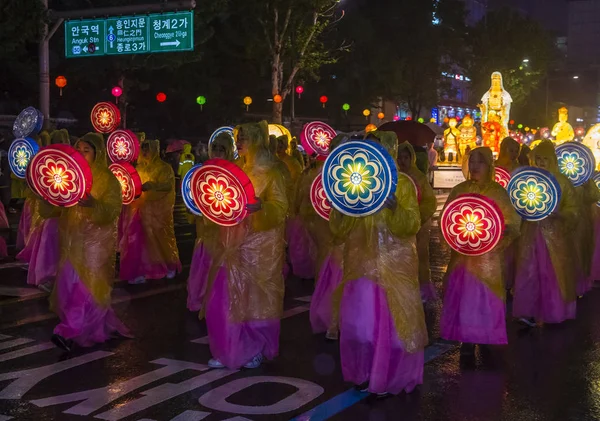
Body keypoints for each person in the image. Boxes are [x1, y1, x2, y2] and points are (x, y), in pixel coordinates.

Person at [331, 131, 427, 397]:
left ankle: (388, 377)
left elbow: (412, 225)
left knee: (393, 331)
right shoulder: (356, 183)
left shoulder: (404, 185)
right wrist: (340, 208)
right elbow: (338, 231)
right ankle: (363, 373)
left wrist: (396, 209)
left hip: (394, 269)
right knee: (359, 328)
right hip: (361, 268)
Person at [204, 121, 288, 370]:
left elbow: (282, 208)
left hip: (262, 247)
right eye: (238, 138)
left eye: (244, 138)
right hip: (233, 244)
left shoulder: (275, 171)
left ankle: (256, 347)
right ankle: (228, 347)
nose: (239, 143)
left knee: (256, 298)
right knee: (227, 297)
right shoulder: (235, 169)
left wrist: (263, 208)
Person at [51, 133, 131, 351]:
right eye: (79, 149)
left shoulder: (108, 180)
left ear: (98, 153)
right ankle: (98, 325)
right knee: (69, 286)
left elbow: (112, 211)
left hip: (96, 245)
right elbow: (57, 207)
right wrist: (46, 194)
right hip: (73, 242)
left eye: (86, 150)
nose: (82, 153)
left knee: (86, 290)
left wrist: (94, 204)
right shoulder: (70, 175)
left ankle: (68, 331)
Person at [440, 147, 520, 355]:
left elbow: (512, 225)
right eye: (472, 161)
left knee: (484, 299)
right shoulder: (459, 190)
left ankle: (485, 336)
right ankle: (466, 338)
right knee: (464, 298)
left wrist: (496, 239)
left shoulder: (498, 193)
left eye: (480, 162)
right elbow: (446, 220)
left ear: (489, 166)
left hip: (489, 262)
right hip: (462, 260)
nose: (475, 166)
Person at [513, 140, 578, 326]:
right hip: (530, 234)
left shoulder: (563, 181)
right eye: (538, 159)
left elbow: (573, 209)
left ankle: (554, 311)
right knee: (528, 272)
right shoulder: (527, 181)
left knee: (552, 274)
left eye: (545, 159)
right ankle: (528, 312)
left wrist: (561, 215)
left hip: (555, 237)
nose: (541, 163)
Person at [119, 139, 181, 284]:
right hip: (140, 211)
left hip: (158, 214)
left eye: (148, 149)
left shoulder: (164, 168)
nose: (145, 152)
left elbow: (167, 186)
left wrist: (153, 186)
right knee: (137, 242)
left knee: (161, 240)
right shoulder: (139, 168)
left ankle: (168, 265)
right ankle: (141, 271)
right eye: (143, 149)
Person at [16, 130, 70, 290]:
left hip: (61, 213)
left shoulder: (67, 165)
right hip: (48, 210)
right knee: (45, 242)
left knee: (49, 243)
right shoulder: (45, 162)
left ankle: (51, 275)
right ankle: (46, 275)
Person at [187, 134, 235, 312]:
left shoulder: (234, 172)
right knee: (202, 269)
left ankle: (215, 304)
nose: (217, 152)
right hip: (204, 233)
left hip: (224, 234)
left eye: (221, 149)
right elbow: (193, 198)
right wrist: (193, 209)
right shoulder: (203, 171)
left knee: (218, 271)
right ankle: (199, 299)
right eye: (215, 148)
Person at [304, 135, 345, 339]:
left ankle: (338, 321)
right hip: (327, 231)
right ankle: (333, 320)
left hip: (347, 237)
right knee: (330, 276)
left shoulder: (355, 174)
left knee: (341, 278)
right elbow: (313, 199)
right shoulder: (321, 173)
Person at [398, 141, 438, 302]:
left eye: (406, 157)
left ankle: (422, 289)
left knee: (420, 257)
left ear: (412, 158)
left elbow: (430, 202)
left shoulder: (419, 177)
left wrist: (417, 217)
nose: (402, 161)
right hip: (401, 224)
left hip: (420, 225)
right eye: (399, 157)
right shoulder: (395, 177)